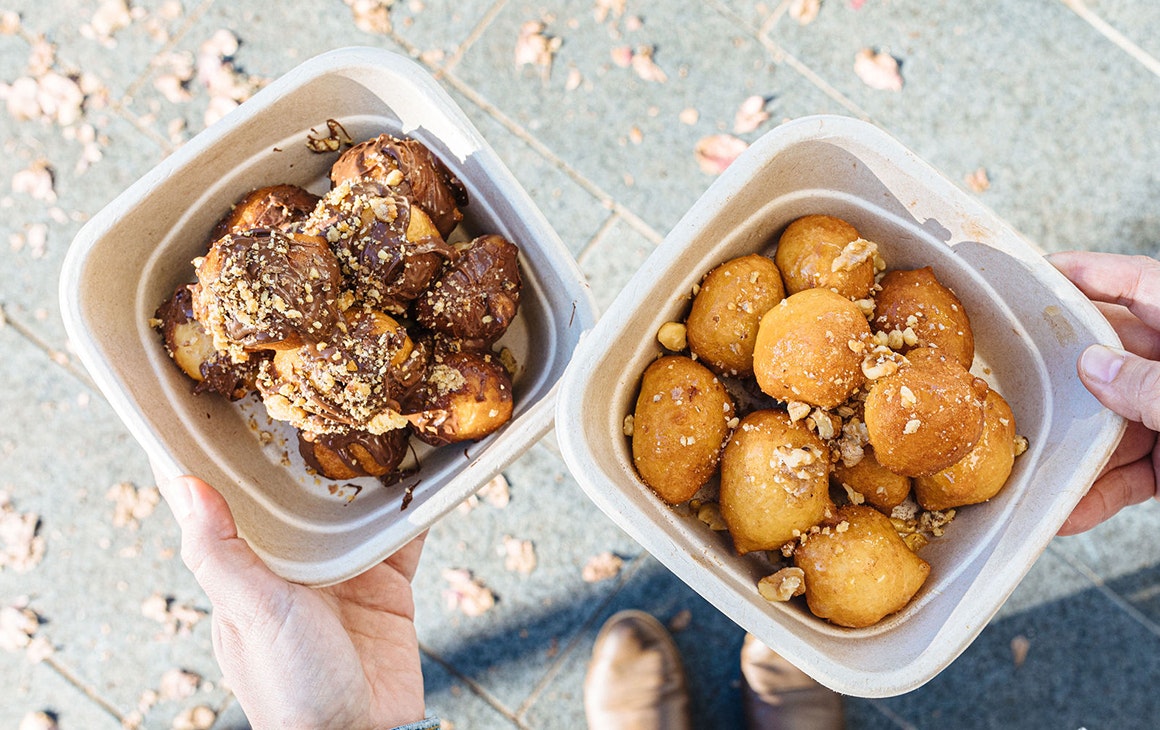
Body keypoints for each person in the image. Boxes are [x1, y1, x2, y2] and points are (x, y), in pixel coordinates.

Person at [159, 250, 1160, 729]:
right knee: (803, 613)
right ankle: (790, 689)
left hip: (835, 455)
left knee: (820, 557)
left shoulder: (877, 408)